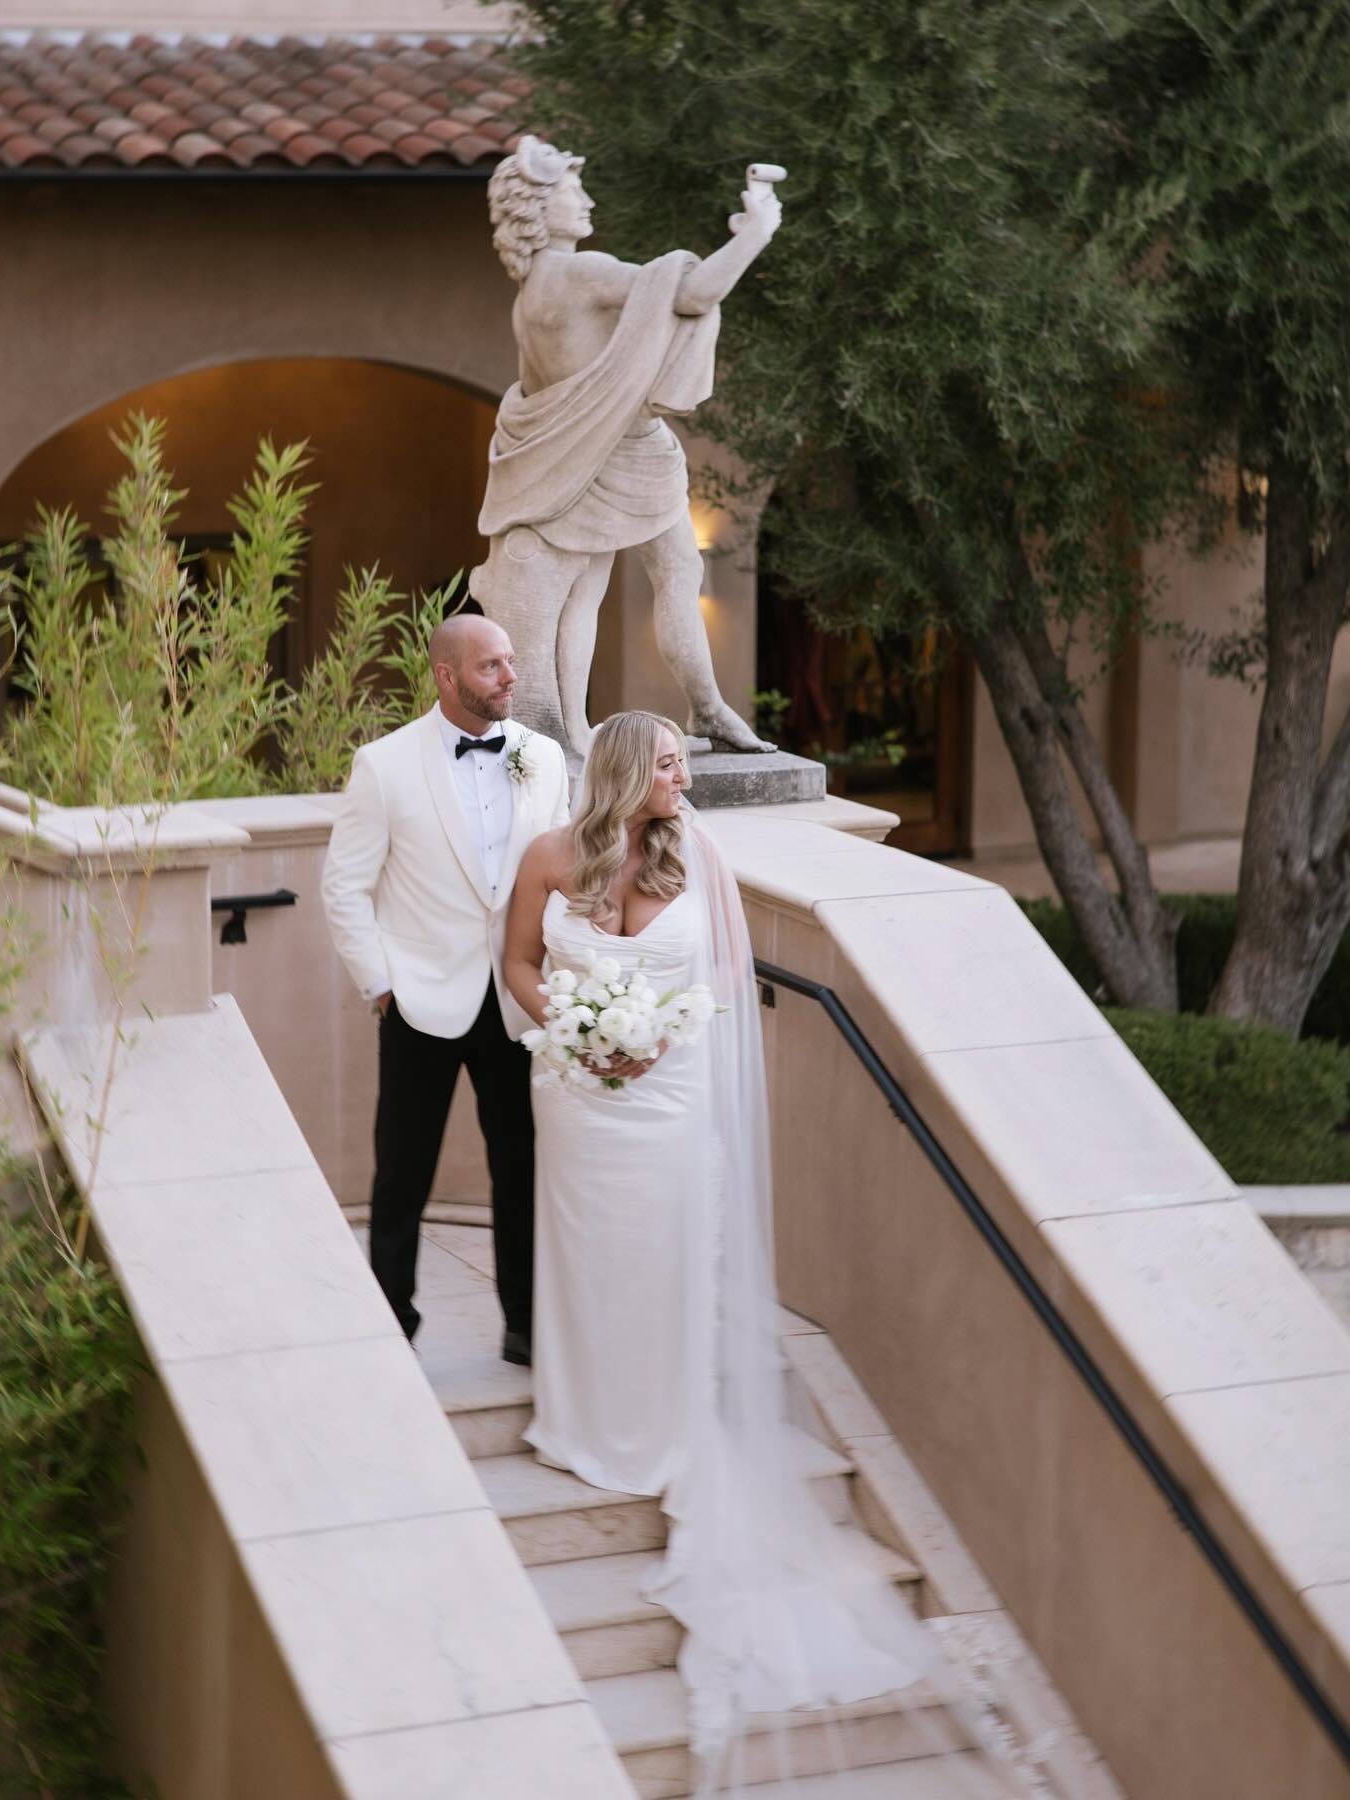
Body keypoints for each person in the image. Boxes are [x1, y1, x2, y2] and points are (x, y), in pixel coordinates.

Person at [503, 712, 1010, 1790]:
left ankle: (671, 1421)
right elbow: (514, 964)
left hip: (671, 1093)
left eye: (686, 760)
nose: (686, 776)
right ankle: (589, 1415)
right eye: (672, 762)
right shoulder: (549, 856)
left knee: (670, 1255)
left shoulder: (706, 857)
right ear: (625, 774)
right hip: (579, 1098)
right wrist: (579, 1031)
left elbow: (727, 985)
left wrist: (652, 1037)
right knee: (591, 1259)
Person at [470, 134, 779, 754]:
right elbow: (691, 293)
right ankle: (707, 710)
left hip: (575, 455)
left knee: (588, 590)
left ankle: (580, 730)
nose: (586, 200)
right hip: (624, 451)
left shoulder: (529, 296)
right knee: (675, 573)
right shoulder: (583, 273)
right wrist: (755, 234)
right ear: (535, 209)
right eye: (570, 191)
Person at [322, 614, 569, 1366]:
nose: (510, 676)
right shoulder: (384, 764)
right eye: (492, 665)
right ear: (447, 676)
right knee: (402, 1172)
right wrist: (382, 987)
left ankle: (524, 1322)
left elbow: (558, 870)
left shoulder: (545, 757)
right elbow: (343, 887)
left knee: (521, 1165)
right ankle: (393, 1320)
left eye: (510, 661)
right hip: (419, 1003)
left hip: (516, 999)